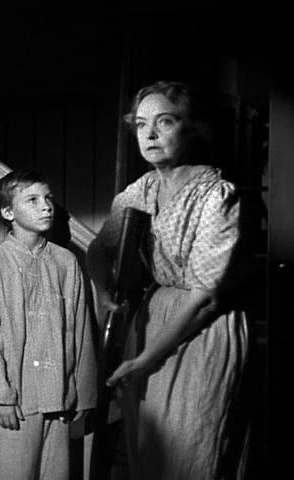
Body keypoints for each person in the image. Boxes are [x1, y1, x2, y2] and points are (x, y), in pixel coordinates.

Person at [87, 81, 249, 479]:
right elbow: (97, 249)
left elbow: (204, 299)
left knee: (190, 450)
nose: (151, 134)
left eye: (165, 122)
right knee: (147, 452)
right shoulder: (142, 189)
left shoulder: (217, 195)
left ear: (191, 128)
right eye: (142, 124)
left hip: (199, 332)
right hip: (151, 321)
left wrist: (145, 360)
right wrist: (104, 293)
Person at [0, 169, 97, 480]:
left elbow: (81, 329)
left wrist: (82, 393)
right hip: (14, 403)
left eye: (48, 199)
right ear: (8, 212)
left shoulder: (65, 261)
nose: (46, 206)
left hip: (58, 396)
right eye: (32, 200)